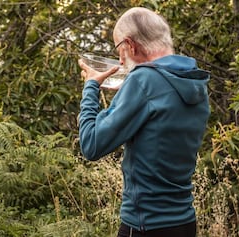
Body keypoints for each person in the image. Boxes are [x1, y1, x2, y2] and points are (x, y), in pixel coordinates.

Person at [77, 7, 210, 237]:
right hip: (184, 223)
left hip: (145, 225)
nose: (119, 59)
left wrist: (91, 87)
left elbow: (91, 144)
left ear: (131, 45)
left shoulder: (143, 81)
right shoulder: (194, 80)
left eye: (119, 49)